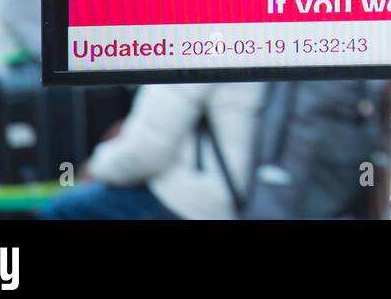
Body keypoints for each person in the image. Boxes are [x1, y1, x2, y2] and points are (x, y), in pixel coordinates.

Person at [41, 82, 264, 220]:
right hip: (263, 197)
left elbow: (144, 154)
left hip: (200, 205)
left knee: (63, 208)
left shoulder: (192, 38)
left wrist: (94, 168)